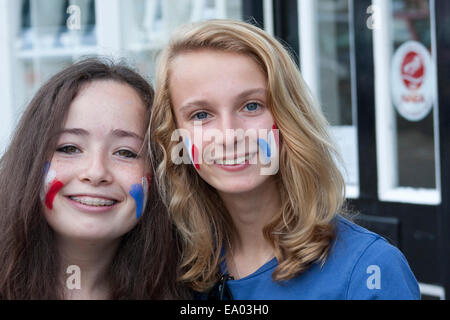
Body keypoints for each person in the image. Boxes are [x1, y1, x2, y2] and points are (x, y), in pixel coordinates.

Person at [149, 19, 420, 299]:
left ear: (288, 117)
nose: (229, 136)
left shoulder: (368, 270)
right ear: (175, 135)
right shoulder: (171, 269)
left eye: (252, 106)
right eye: (201, 115)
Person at [0, 58, 189, 299]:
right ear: (30, 160)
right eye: (69, 148)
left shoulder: (193, 293)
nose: (96, 173)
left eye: (125, 152)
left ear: (158, 173)